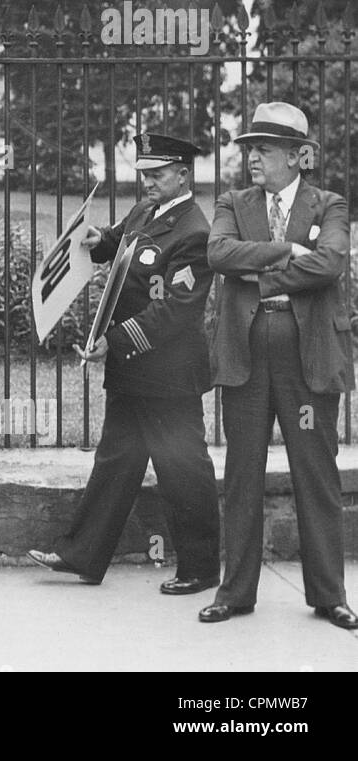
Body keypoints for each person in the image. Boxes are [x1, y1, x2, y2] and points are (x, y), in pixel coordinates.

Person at [28, 132, 220, 592]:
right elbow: (121, 243)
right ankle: (82, 556)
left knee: (182, 469)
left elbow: (176, 308)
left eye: (157, 175)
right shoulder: (146, 212)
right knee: (115, 461)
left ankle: (200, 568)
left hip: (169, 376)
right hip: (135, 371)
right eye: (145, 175)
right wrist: (98, 240)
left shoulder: (194, 232)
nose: (148, 183)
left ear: (182, 175)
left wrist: (113, 341)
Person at [199, 102, 357, 628]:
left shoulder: (330, 204)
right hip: (245, 351)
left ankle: (329, 595)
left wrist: (263, 274)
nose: (252, 158)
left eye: (263, 149)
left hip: (307, 352)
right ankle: (235, 593)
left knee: (315, 471)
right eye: (249, 149)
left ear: (298, 156)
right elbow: (218, 254)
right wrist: (287, 249)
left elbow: (331, 263)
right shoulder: (233, 201)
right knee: (242, 472)